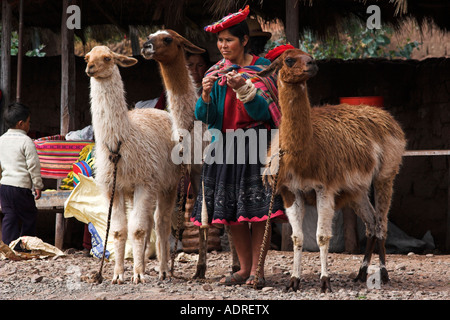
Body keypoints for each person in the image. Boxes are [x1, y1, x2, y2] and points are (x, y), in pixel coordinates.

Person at [191, 5, 285, 288]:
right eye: (219, 41)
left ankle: (258, 270)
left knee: (258, 212)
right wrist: (206, 95)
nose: (223, 46)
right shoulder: (216, 72)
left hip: (257, 145)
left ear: (244, 41)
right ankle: (244, 269)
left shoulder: (261, 71)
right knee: (232, 212)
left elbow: (263, 113)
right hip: (225, 148)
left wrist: (244, 88)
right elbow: (205, 118)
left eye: (229, 40)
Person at [0, 102, 43, 247]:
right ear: (21, 123)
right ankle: (26, 245)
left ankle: (8, 246)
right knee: (29, 215)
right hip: (21, 188)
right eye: (28, 122)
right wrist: (38, 185)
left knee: (9, 216)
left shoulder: (1, 140)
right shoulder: (26, 141)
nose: (29, 125)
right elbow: (33, 166)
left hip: (5, 186)